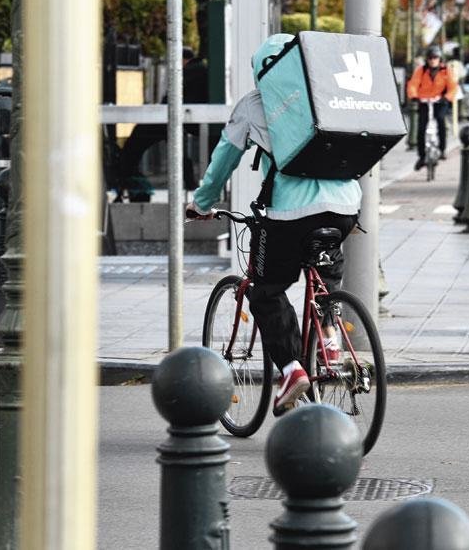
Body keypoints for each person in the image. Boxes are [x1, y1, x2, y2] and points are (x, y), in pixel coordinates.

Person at [185, 34, 362, 415]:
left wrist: (201, 203)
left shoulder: (254, 103)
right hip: (346, 207)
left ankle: (292, 370)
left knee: (266, 291)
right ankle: (329, 335)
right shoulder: (324, 91)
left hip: (291, 214)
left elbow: (223, 161)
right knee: (325, 272)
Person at [116, 47, 212, 201]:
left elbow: (170, 98)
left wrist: (159, 110)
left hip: (182, 117)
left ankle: (125, 170)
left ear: (182, 60)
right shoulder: (199, 69)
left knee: (141, 136)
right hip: (188, 118)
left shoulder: (189, 71)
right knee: (175, 145)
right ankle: (189, 181)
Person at [407, 45, 458, 169]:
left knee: (440, 120)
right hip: (424, 101)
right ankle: (422, 156)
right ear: (427, 59)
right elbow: (413, 84)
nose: (432, 60)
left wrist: (446, 98)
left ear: (439, 58)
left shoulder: (446, 71)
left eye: (435, 57)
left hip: (440, 101)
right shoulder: (421, 70)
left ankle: (442, 149)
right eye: (430, 58)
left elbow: (453, 87)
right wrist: (414, 96)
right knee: (421, 128)